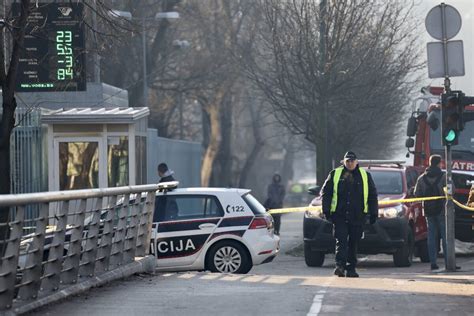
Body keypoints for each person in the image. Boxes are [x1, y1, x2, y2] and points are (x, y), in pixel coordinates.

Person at [321, 151, 378, 278]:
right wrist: (326, 211)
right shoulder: (335, 174)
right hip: (339, 215)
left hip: (357, 216)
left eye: (352, 161)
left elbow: (372, 195)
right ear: (344, 162)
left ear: (356, 162)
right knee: (341, 241)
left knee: (353, 242)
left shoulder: (365, 175)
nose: (350, 163)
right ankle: (339, 266)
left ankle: (351, 268)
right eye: (347, 161)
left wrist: (374, 213)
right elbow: (327, 193)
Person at [414, 154, 447, 270]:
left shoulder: (422, 178)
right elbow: (451, 191)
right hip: (442, 210)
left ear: (429, 162)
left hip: (428, 210)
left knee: (431, 236)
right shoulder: (444, 176)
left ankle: (433, 262)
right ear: (439, 163)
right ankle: (449, 262)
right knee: (445, 235)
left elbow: (417, 194)